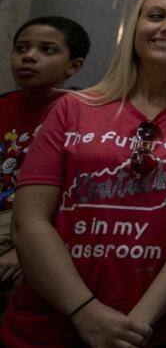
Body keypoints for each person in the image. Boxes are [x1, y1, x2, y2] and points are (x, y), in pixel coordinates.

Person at [0, 0, 166, 347]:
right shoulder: (72, 109)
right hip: (49, 322)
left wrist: (138, 323)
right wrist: (85, 311)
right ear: (135, 28)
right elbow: (30, 221)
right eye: (156, 15)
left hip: (151, 329)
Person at [0, 17, 90, 295]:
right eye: (21, 48)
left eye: (47, 50)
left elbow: (77, 195)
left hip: (34, 228)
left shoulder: (84, 114)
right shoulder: (4, 105)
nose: (29, 57)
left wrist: (23, 249)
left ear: (74, 65)